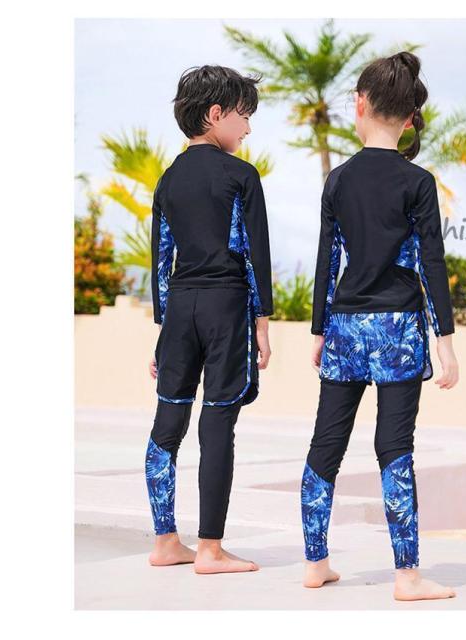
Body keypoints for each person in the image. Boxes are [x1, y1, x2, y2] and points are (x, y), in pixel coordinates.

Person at [301, 52, 459, 601]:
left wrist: (319, 329)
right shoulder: (418, 182)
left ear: (360, 105)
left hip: (345, 327)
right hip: (398, 332)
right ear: (410, 117)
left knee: (326, 443)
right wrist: (445, 343)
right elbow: (431, 263)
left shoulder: (338, 180)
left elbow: (327, 261)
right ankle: (407, 576)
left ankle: (315, 563)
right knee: (394, 447)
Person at [145, 65, 273, 574]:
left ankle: (164, 541)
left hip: (180, 308)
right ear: (216, 114)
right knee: (218, 422)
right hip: (226, 306)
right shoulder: (241, 176)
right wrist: (262, 322)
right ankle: (210, 549)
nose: (248, 127)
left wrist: (163, 330)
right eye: (244, 116)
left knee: (168, 422)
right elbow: (254, 254)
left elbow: (161, 260)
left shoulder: (168, 179)